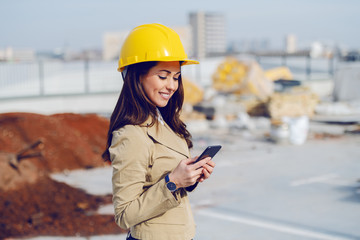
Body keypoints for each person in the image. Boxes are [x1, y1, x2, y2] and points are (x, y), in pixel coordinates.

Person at [102, 23, 216, 240]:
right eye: (163, 76)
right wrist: (173, 182)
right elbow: (124, 215)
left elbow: (166, 186)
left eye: (176, 76)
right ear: (137, 76)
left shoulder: (167, 123)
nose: (172, 86)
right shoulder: (130, 135)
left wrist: (190, 177)